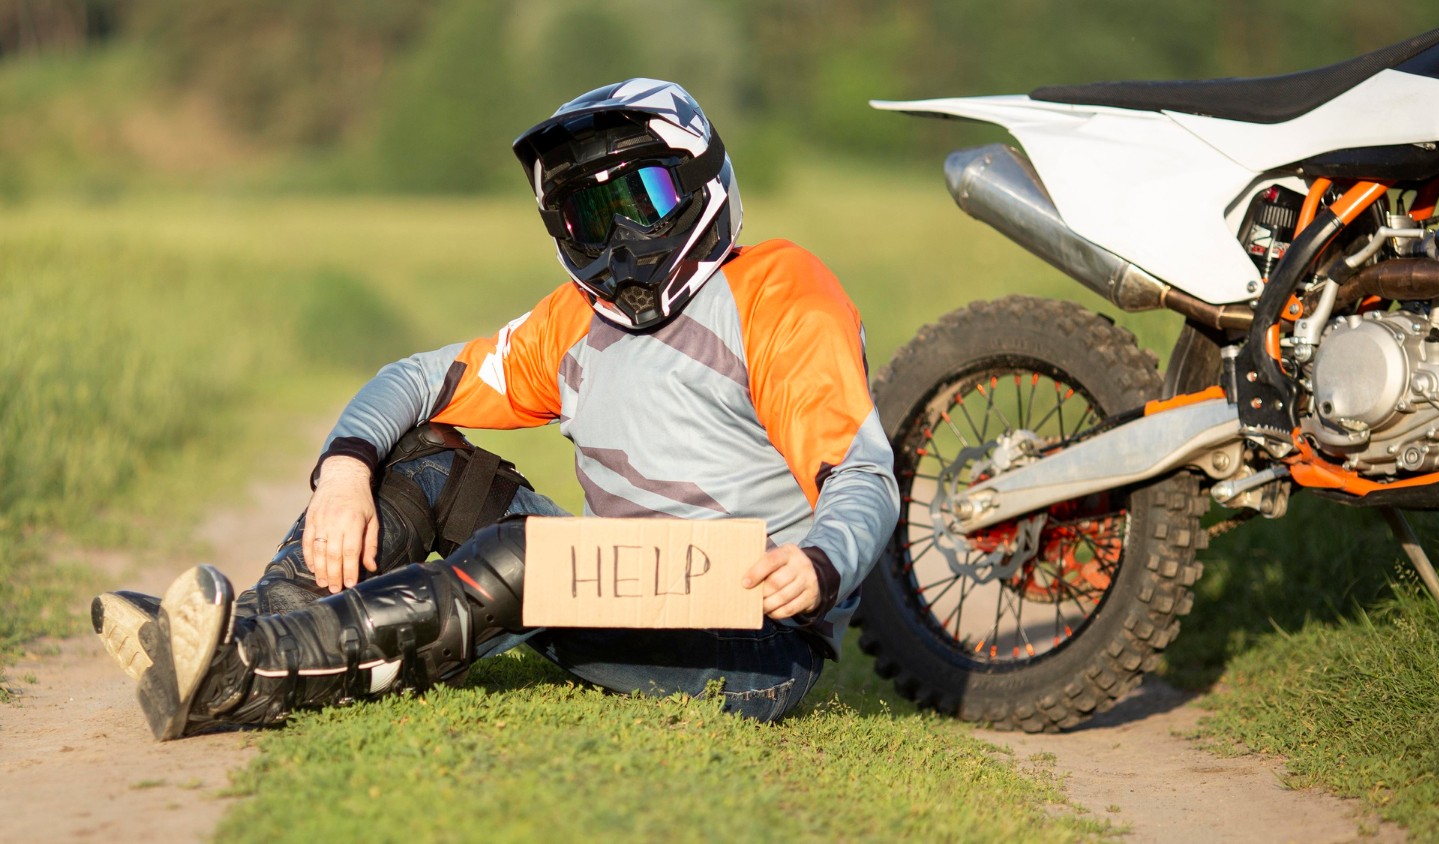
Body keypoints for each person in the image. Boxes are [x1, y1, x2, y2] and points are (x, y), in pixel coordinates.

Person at [91, 78, 898, 741]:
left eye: (642, 200)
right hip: (619, 589)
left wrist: (819, 564)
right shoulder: (572, 322)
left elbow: (862, 473)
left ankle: (248, 672)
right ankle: (228, 637)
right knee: (415, 454)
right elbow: (418, 377)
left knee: (525, 556)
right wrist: (342, 473)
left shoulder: (781, 290)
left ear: (700, 185)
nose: (617, 240)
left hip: (755, 638)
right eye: (590, 215)